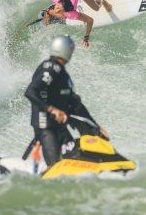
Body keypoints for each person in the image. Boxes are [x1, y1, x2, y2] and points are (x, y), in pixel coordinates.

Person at [24, 35, 109, 168]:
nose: (71, 53)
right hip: (45, 127)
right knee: (55, 166)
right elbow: (31, 91)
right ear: (63, 50)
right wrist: (52, 109)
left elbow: (75, 105)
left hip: (59, 126)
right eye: (71, 50)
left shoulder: (62, 74)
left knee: (75, 157)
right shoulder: (50, 68)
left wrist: (96, 127)